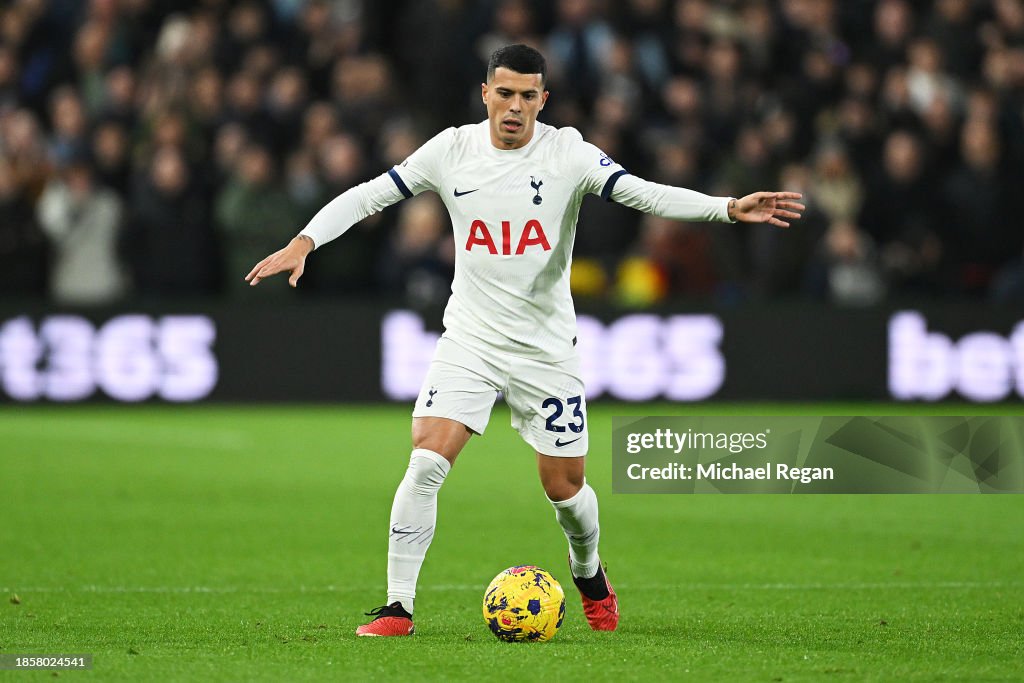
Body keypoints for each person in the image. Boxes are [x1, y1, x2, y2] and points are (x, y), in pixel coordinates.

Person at [245, 44, 803, 637]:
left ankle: (589, 573)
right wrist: (305, 241)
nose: (515, 107)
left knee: (564, 490)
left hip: (546, 349)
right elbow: (369, 194)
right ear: (485, 93)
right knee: (427, 460)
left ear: (543, 100)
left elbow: (644, 192)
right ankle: (397, 607)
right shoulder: (451, 150)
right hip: (471, 339)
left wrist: (725, 208)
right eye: (504, 93)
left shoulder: (567, 152)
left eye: (527, 96)